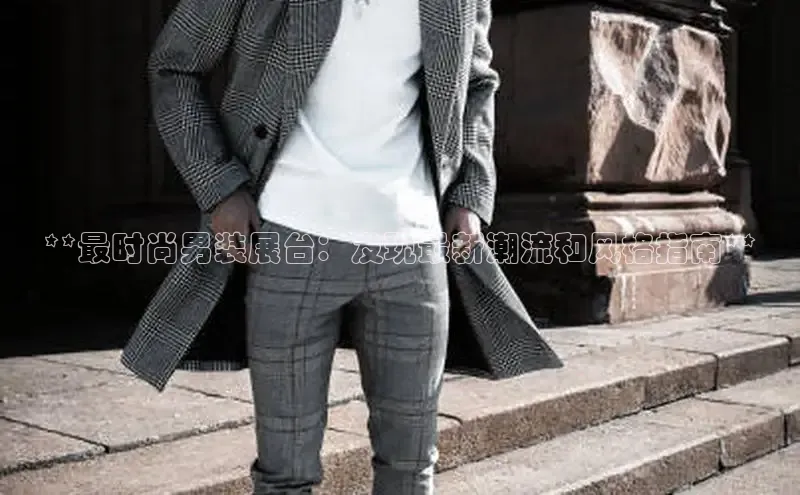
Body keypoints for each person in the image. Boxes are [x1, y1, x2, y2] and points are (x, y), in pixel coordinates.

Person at [120, 0, 562, 493]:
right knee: (285, 477)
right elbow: (174, 65)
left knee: (411, 469)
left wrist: (471, 195)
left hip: (412, 248)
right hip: (289, 240)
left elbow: (478, 83)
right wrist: (219, 186)